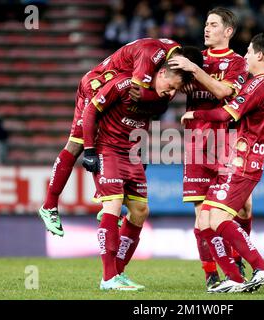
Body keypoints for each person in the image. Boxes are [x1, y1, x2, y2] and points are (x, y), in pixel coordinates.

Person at [38, 38, 201, 237]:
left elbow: (151, 106)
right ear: (180, 64)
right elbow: (137, 96)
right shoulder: (150, 54)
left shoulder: (170, 62)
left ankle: (107, 199)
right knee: (78, 144)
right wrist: (91, 151)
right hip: (97, 85)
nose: (178, 91)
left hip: (117, 89)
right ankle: (50, 206)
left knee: (117, 141)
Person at [81, 62, 198, 291]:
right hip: (109, 151)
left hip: (133, 155)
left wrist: (142, 148)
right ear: (161, 73)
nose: (171, 93)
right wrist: (88, 150)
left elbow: (143, 122)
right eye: (171, 86)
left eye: (176, 91)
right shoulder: (125, 83)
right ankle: (108, 278)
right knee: (112, 206)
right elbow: (90, 110)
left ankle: (118, 272)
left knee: (141, 211)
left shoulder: (158, 98)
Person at [180, 32, 264, 293]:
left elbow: (227, 112)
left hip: (241, 161)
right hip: (241, 159)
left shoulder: (259, 84)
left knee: (217, 218)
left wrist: (195, 113)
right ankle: (234, 278)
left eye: (248, 51)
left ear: (260, 55)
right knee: (207, 218)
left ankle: (261, 268)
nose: (245, 56)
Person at [168, 7, 252, 290]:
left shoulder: (239, 63)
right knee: (201, 213)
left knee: (241, 209)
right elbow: (171, 84)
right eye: (205, 24)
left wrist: (195, 71)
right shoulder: (195, 58)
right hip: (195, 143)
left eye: (213, 25)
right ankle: (212, 275)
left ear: (228, 31)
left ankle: (238, 257)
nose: (206, 29)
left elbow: (223, 92)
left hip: (227, 142)